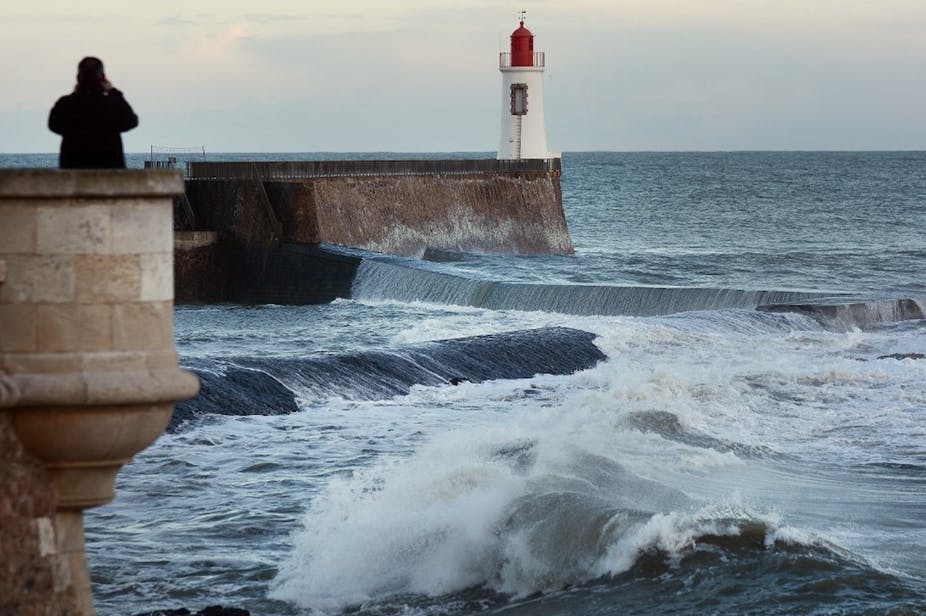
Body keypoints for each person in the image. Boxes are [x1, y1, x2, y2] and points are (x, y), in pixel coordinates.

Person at [48, 57, 138, 169]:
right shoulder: (112, 104)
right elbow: (132, 121)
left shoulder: (66, 103)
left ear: (78, 78)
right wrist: (113, 92)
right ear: (103, 78)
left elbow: (53, 124)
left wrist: (76, 94)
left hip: (74, 172)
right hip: (110, 173)